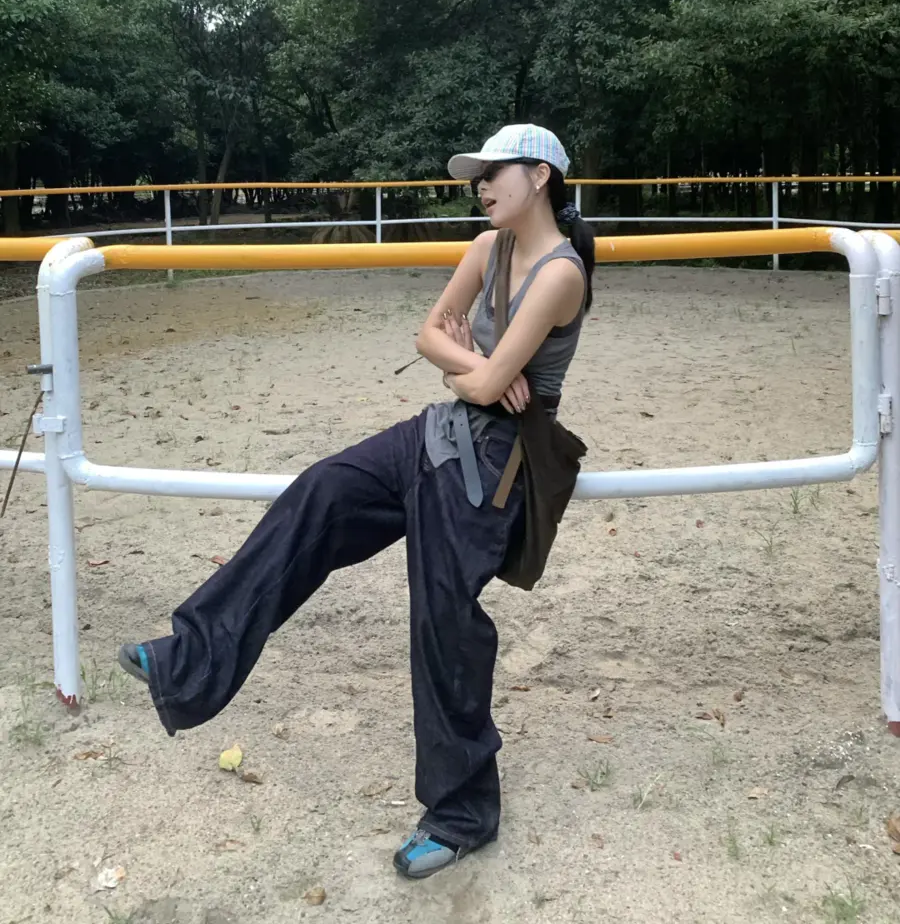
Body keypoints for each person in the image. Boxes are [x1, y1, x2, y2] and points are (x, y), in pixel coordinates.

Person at [117, 123, 595, 880]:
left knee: (442, 616)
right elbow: (431, 340)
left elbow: (472, 373)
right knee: (321, 494)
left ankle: (463, 813)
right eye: (476, 175)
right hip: (438, 433)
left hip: (495, 464)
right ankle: (188, 659)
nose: (480, 185)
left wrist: (469, 368)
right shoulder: (486, 248)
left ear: (540, 176)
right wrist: (473, 366)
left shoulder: (561, 273)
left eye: (493, 172)